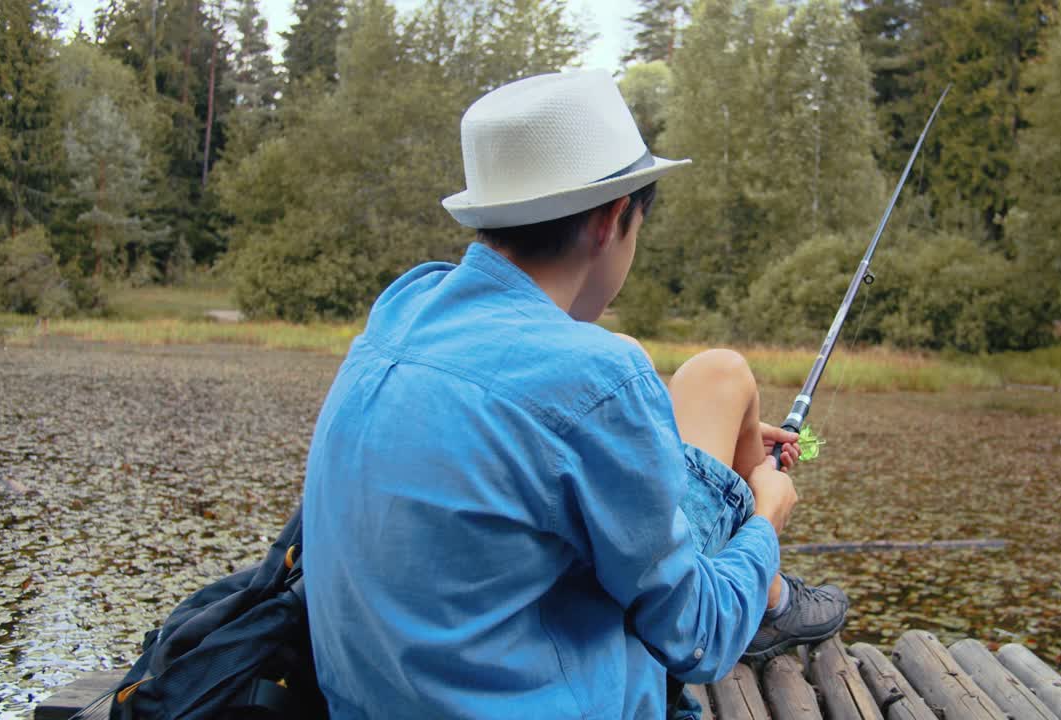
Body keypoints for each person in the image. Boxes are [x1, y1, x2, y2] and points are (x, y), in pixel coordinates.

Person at [302, 69, 848, 720]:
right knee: (719, 376)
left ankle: (770, 595)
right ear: (613, 219)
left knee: (707, 376)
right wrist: (766, 517)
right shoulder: (598, 373)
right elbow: (697, 640)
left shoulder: (404, 306)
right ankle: (771, 599)